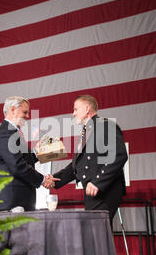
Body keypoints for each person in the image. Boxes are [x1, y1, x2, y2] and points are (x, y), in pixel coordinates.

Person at [52, 95, 128, 224]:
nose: (73, 113)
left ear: (87, 109)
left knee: (97, 234)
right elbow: (77, 165)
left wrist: (98, 182)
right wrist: (54, 180)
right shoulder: (87, 131)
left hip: (104, 190)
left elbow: (119, 155)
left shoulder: (105, 126)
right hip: (93, 191)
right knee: (96, 234)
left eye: (76, 109)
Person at [0, 96, 59, 212]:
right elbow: (18, 166)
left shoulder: (13, 132)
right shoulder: (6, 133)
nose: (28, 116)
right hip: (12, 204)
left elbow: (22, 161)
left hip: (20, 202)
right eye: (25, 112)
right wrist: (42, 179)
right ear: (13, 110)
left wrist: (37, 153)